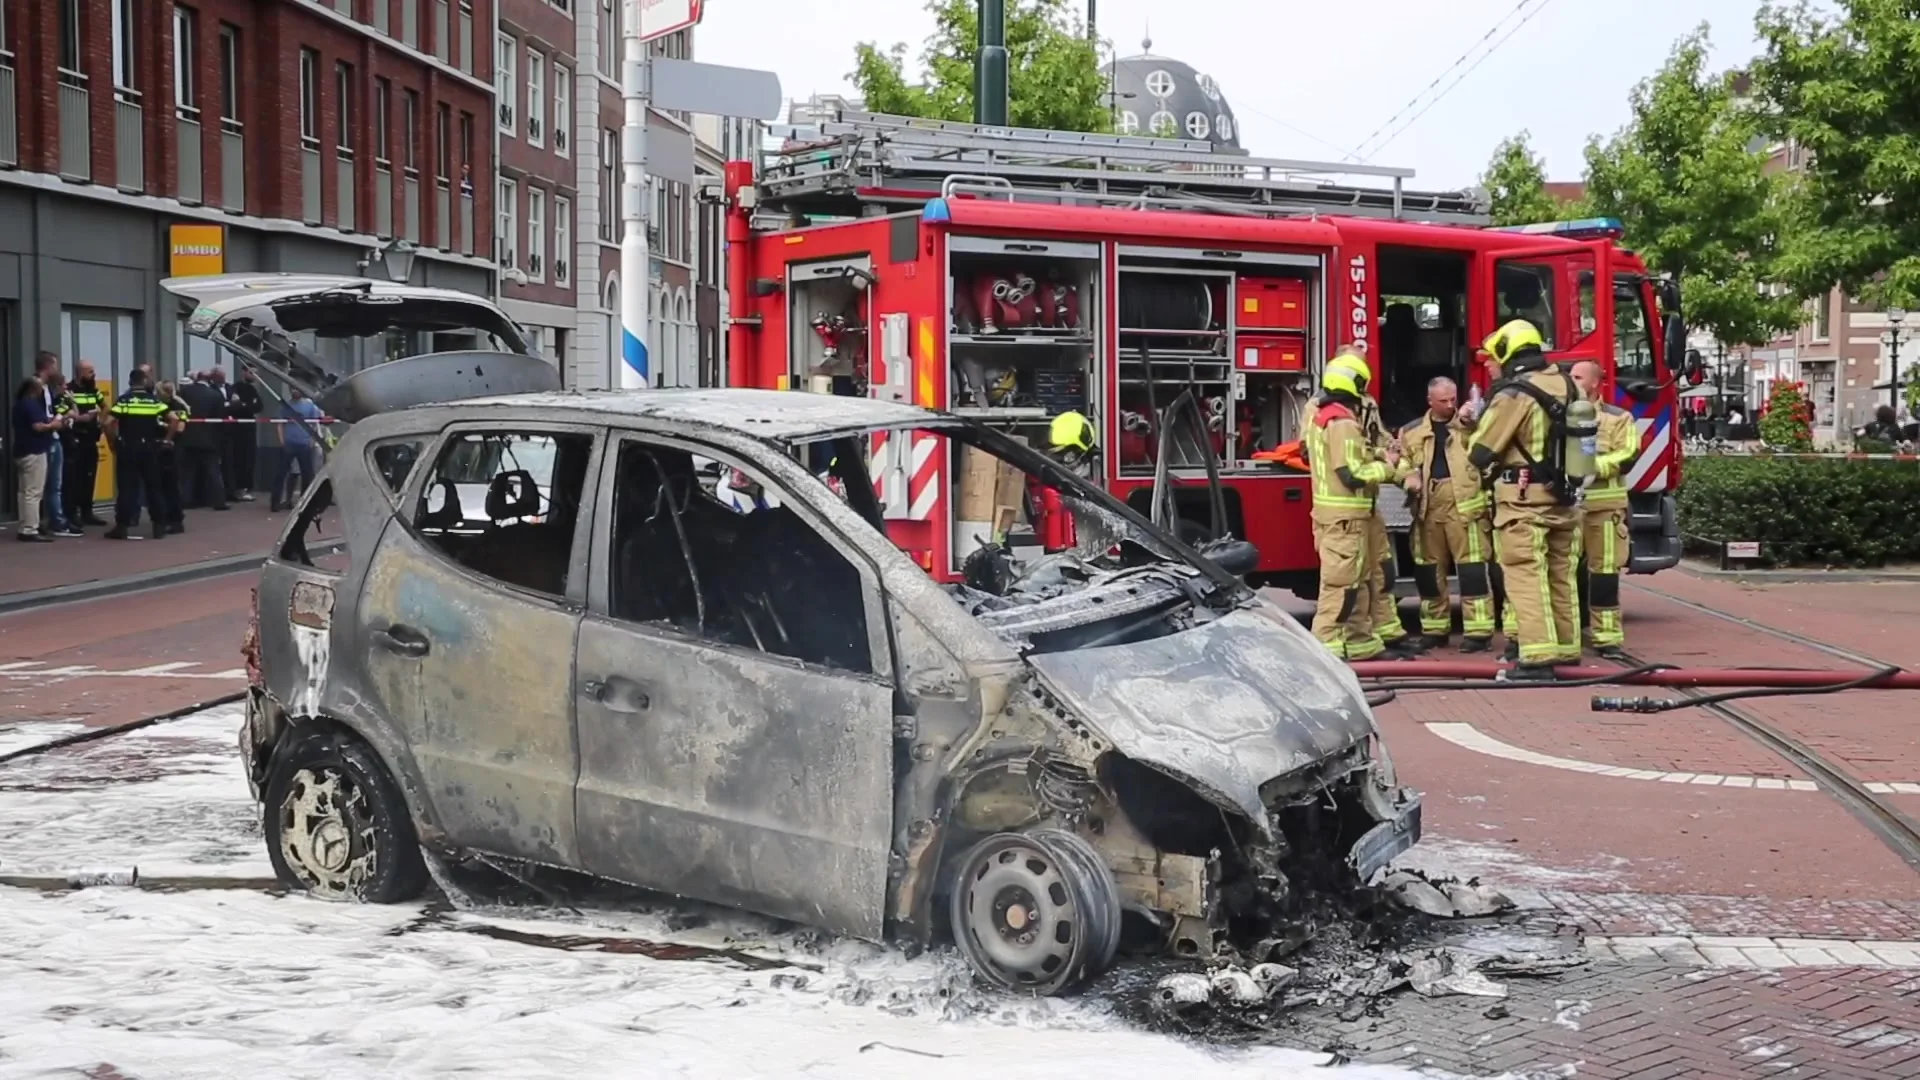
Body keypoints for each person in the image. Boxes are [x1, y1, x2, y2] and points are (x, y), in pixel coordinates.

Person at [1467, 320, 1584, 678]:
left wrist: (1473, 423)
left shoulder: (1514, 393)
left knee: (1526, 577)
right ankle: (1566, 649)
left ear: (1507, 351)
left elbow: (1481, 452)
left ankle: (1536, 659)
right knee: (1561, 575)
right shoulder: (1567, 384)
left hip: (1523, 501)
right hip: (1564, 498)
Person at [1395, 376, 1496, 652]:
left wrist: (1468, 420)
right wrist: (1407, 476)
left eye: (1453, 399)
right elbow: (1401, 461)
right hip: (1428, 506)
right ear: (1430, 401)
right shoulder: (1412, 431)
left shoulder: (1469, 426)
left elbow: (1488, 452)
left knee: (1473, 571)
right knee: (1428, 572)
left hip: (1465, 508)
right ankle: (1435, 629)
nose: (1450, 405)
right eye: (1443, 401)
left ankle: (1478, 632)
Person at [1306, 363, 1397, 660]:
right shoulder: (1342, 422)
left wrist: (1380, 454)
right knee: (1340, 588)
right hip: (1344, 519)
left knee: (1358, 583)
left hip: (1348, 519)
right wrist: (1389, 469)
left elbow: (1354, 455)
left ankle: (1361, 644)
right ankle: (1326, 652)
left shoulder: (1326, 416)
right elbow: (1351, 474)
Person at [1327, 349, 1413, 654]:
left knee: (1378, 569)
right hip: (1347, 506)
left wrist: (1401, 467)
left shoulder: (1363, 404)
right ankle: (1348, 641)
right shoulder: (1329, 413)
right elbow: (1349, 466)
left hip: (1367, 504)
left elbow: (1377, 442)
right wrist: (1389, 467)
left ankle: (1383, 633)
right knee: (1347, 581)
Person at [1570, 361, 1638, 660]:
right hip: (1567, 508)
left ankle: (1607, 637)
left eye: (1577, 377)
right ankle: (1566, 635)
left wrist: (1592, 467)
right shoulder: (1559, 414)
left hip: (1604, 509)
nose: (1570, 381)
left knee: (1604, 574)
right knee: (1562, 574)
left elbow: (1629, 454)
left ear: (1595, 383)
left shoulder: (1617, 418)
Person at [103, 369, 172, 540]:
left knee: (127, 488)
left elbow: (108, 422)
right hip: (149, 448)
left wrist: (113, 441)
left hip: (128, 448)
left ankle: (122, 526)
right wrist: (167, 440)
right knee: (154, 487)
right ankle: (159, 526)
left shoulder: (124, 400)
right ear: (145, 381)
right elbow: (173, 418)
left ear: (130, 382)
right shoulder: (153, 401)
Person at [12, 376, 64, 542]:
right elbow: (38, 426)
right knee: (34, 492)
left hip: (21, 451)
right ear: (34, 390)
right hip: (34, 451)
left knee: (23, 492)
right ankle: (30, 529)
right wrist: (53, 425)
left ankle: (24, 525)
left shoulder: (19, 404)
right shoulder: (31, 405)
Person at [177, 372, 230, 511]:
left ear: (196, 379)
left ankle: (185, 500)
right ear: (209, 380)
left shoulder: (185, 392)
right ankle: (219, 501)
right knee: (214, 472)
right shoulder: (215, 395)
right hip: (209, 440)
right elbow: (220, 419)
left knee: (188, 472)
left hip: (189, 438)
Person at [64, 360, 108, 527]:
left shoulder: (93, 391)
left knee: (89, 477)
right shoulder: (69, 390)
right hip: (75, 439)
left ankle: (87, 511)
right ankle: (72, 513)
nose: (93, 375)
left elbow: (105, 407)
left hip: (90, 439)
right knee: (75, 478)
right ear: (80, 373)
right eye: (90, 372)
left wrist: (100, 424)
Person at [273, 387, 325, 511]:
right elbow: (280, 423)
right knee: (281, 474)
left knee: (307, 475)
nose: (295, 391)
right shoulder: (285, 406)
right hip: (289, 443)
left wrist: (312, 440)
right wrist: (282, 442)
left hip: (304, 444)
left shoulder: (309, 406)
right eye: (292, 389)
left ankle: (305, 502)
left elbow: (314, 423)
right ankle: (275, 503)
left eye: (297, 389)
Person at [153, 379, 188, 534]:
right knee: (160, 485)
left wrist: (164, 428)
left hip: (173, 449)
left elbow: (180, 428)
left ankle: (175, 520)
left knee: (171, 486)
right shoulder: (158, 405)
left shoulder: (178, 406)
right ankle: (165, 516)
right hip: (159, 448)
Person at [222, 366, 262, 502]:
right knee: (239, 458)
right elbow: (235, 407)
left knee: (250, 458)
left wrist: (245, 405)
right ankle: (238, 488)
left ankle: (247, 487)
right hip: (238, 430)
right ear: (243, 372)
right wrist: (246, 406)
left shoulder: (253, 389)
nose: (255, 376)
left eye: (256, 373)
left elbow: (259, 406)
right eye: (251, 373)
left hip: (250, 428)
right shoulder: (235, 388)